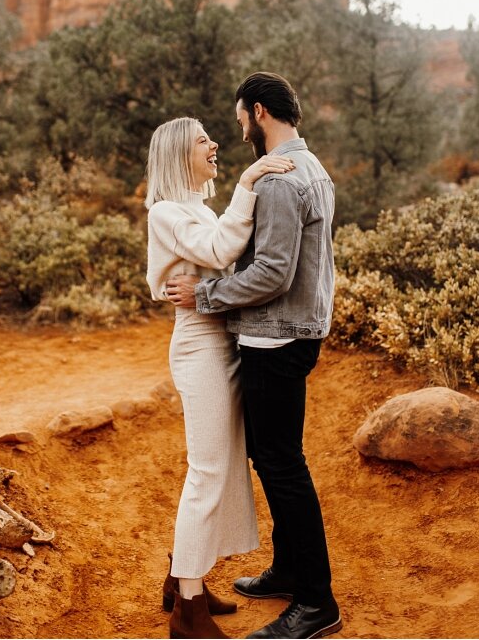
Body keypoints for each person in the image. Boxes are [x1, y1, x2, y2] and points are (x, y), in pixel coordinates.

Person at [165, 72, 341, 640]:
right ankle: (291, 570)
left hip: (276, 337)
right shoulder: (311, 168)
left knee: (283, 465)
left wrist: (205, 294)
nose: (237, 126)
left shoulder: (281, 181)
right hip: (291, 332)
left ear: (259, 111)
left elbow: (272, 273)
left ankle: (316, 603)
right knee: (272, 458)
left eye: (240, 115)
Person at [146, 117, 296, 639]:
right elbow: (216, 253)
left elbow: (220, 257)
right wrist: (249, 182)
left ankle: (184, 576)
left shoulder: (197, 208)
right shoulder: (166, 212)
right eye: (202, 141)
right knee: (207, 472)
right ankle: (188, 611)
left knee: (219, 467)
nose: (214, 146)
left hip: (221, 343)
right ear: (177, 156)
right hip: (199, 345)